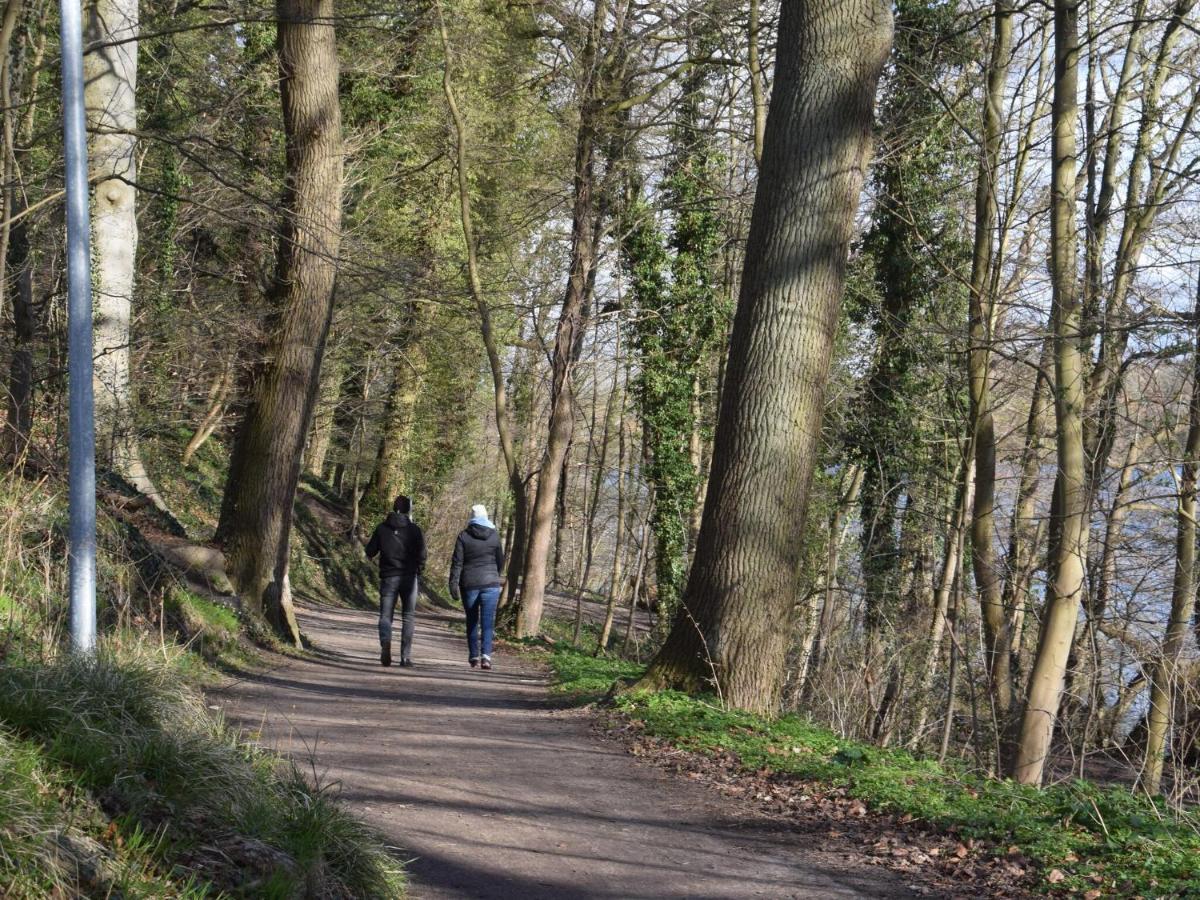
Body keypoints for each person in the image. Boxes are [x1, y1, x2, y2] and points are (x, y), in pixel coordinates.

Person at [365, 495, 426, 668]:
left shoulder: (382, 528)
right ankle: (405, 657)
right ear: (408, 510)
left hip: (388, 577)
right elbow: (422, 555)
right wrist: (419, 569)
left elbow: (370, 551)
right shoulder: (415, 530)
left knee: (385, 615)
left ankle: (385, 641)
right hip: (409, 578)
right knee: (408, 616)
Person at [448, 503, 505, 670]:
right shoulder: (494, 536)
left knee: (472, 620)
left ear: (471, 517)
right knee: (488, 621)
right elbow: (500, 561)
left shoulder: (463, 536)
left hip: (469, 584)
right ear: (486, 516)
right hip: (491, 584)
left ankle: (474, 656)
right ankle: (486, 657)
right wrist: (495, 574)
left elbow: (457, 563)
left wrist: (453, 584)